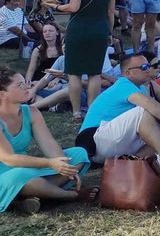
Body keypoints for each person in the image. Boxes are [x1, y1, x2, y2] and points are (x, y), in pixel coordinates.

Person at [74, 52, 160, 169]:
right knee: (143, 111)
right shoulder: (123, 84)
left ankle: (130, 162)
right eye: (143, 67)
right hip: (94, 141)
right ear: (128, 73)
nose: (148, 69)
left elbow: (157, 117)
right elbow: (149, 104)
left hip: (113, 141)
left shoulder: (141, 87)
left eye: (148, 66)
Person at [0, 67, 95, 214]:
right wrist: (50, 163)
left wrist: (63, 165)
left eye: (25, 82)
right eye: (19, 85)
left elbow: (49, 144)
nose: (27, 87)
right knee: (20, 177)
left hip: (26, 170)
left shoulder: (31, 112)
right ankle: (70, 195)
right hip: (8, 175)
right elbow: (9, 159)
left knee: (78, 154)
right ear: (2, 94)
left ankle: (31, 196)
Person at [43, 0, 115, 118]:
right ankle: (92, 110)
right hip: (99, 30)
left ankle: (76, 112)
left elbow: (73, 7)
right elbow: (111, 12)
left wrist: (55, 6)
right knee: (94, 73)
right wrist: (109, 31)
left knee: (74, 72)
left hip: (79, 29)